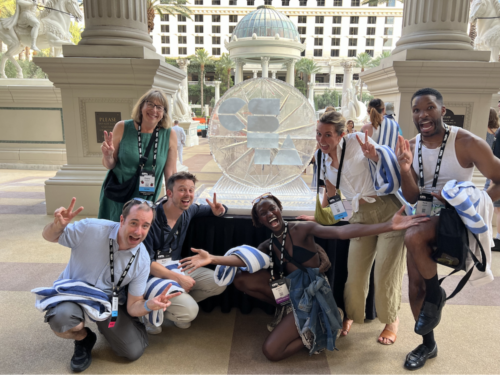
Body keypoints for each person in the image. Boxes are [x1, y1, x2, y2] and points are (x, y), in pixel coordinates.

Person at [178, 194, 428, 361]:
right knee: (242, 279)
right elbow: (242, 260)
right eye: (263, 212)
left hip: (313, 294)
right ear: (259, 220)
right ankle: (293, 316)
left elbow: (345, 233)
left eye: (272, 208)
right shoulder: (268, 243)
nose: (270, 214)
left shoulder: (301, 229)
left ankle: (321, 326)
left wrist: (389, 226)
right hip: (291, 293)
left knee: (271, 352)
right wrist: (212, 258)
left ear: (280, 209)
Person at [396, 88, 500, 370]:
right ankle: (428, 343)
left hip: (455, 217)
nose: (422, 115)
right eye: (417, 110)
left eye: (429, 108)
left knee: (413, 234)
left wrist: (475, 206)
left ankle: (436, 293)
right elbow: (415, 196)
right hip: (426, 213)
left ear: (443, 111)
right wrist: (405, 169)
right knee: (414, 286)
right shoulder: (412, 145)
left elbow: (498, 178)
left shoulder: (467, 142)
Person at [38, 198, 180, 372]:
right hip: (75, 293)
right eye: (134, 223)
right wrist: (57, 226)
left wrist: (149, 305)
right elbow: (49, 236)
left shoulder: (142, 259)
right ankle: (84, 338)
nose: (138, 231)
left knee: (133, 351)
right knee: (61, 321)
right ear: (122, 220)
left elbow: (134, 305)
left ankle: (113, 327)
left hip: (107, 301)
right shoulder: (91, 228)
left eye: (145, 226)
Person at [313, 110, 405, 345]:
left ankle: (391, 320)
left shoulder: (357, 142)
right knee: (354, 273)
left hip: (387, 210)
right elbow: (331, 193)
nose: (322, 140)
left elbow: (385, 165)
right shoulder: (322, 157)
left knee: (385, 271)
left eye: (328, 135)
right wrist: (320, 218)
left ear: (342, 134)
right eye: (318, 134)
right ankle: (352, 315)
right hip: (359, 216)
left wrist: (374, 156)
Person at [142, 172, 228, 333]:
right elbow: (146, 263)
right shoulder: (150, 218)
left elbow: (215, 209)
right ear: (169, 193)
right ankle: (148, 312)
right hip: (152, 273)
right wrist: (179, 279)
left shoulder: (189, 210)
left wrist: (220, 212)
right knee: (190, 312)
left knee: (219, 281)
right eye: (182, 190)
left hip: (176, 264)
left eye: (191, 190)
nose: (187, 194)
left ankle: (172, 307)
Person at [99, 89, 178, 222]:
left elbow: (170, 172)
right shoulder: (122, 127)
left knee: (139, 235)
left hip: (146, 199)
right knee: (115, 235)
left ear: (164, 113)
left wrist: (174, 199)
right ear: (141, 106)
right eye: (150, 104)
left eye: (159, 107)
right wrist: (108, 156)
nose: (154, 110)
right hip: (118, 196)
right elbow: (110, 165)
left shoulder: (169, 134)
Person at [484, 108, 500, 251]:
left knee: (494, 208)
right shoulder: (497, 130)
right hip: (492, 172)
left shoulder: (486, 132)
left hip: (493, 173)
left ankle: (495, 238)